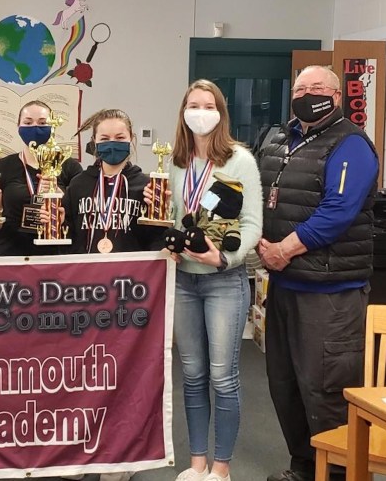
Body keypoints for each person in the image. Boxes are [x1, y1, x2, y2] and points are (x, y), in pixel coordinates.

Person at [257, 65, 378, 481]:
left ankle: (339, 473)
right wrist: (254, 239)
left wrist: (282, 250)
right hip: (284, 286)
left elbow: (337, 212)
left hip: (330, 293)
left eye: (317, 88)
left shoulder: (351, 144)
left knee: (324, 389)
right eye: (300, 88)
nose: (307, 94)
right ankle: (305, 467)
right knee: (285, 384)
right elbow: (255, 196)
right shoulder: (276, 140)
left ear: (337, 96)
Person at [152, 80, 262, 481]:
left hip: (223, 280)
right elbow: (165, 215)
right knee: (193, 374)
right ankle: (196, 463)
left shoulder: (240, 160)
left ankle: (221, 467)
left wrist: (225, 256)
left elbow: (251, 223)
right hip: (182, 280)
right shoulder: (174, 162)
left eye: (209, 105)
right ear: (183, 111)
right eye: (193, 104)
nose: (201, 111)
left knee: (223, 375)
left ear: (221, 112)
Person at [0, 100, 83, 256]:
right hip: (11, 256)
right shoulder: (1, 168)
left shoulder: (69, 167)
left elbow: (79, 220)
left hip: (56, 257)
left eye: (42, 123)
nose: (35, 127)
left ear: (53, 126)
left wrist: (62, 195)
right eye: (28, 122)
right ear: (18, 127)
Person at [64, 108, 164, 254]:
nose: (112, 144)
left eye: (120, 138)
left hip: (131, 273)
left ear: (132, 139)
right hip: (85, 272)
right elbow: (67, 232)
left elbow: (156, 237)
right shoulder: (78, 184)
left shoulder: (146, 186)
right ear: (94, 142)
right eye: (104, 139)